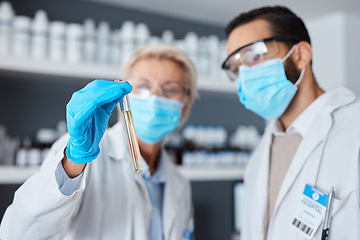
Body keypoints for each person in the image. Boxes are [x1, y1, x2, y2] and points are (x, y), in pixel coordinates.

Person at [0, 44, 198, 240]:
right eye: (143, 86)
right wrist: (74, 161)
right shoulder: (85, 154)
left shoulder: (179, 182)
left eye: (171, 90)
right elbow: (19, 233)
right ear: (123, 94)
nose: (155, 97)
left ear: (186, 104)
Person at [222, 6, 360, 240]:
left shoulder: (354, 128)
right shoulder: (258, 158)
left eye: (254, 56)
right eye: (236, 68)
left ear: (300, 55)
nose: (244, 75)